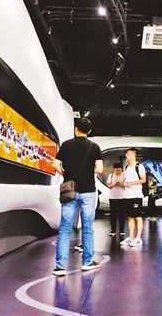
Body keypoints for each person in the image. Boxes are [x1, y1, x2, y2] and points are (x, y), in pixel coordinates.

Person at [52, 118, 104, 276]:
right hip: (88, 191)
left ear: (76, 129)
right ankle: (87, 262)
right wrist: (88, 170)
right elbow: (100, 169)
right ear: (89, 131)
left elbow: (55, 164)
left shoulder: (66, 145)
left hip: (70, 190)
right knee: (87, 228)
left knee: (65, 228)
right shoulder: (94, 147)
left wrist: (65, 173)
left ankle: (60, 267)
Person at [119, 148, 147, 247]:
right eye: (126, 154)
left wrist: (131, 183)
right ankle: (131, 237)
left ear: (133, 155)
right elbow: (125, 180)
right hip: (127, 195)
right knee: (130, 217)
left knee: (138, 216)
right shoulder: (126, 167)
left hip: (136, 196)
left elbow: (143, 180)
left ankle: (138, 238)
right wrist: (123, 183)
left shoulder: (139, 166)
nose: (126, 156)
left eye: (128, 154)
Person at [106, 162, 127, 237]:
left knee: (122, 215)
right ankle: (113, 231)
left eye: (119, 170)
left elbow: (127, 185)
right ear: (114, 169)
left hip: (123, 198)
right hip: (112, 198)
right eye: (116, 170)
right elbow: (108, 185)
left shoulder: (125, 175)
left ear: (122, 169)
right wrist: (114, 184)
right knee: (113, 215)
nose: (118, 172)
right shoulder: (111, 175)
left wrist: (121, 184)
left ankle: (122, 231)